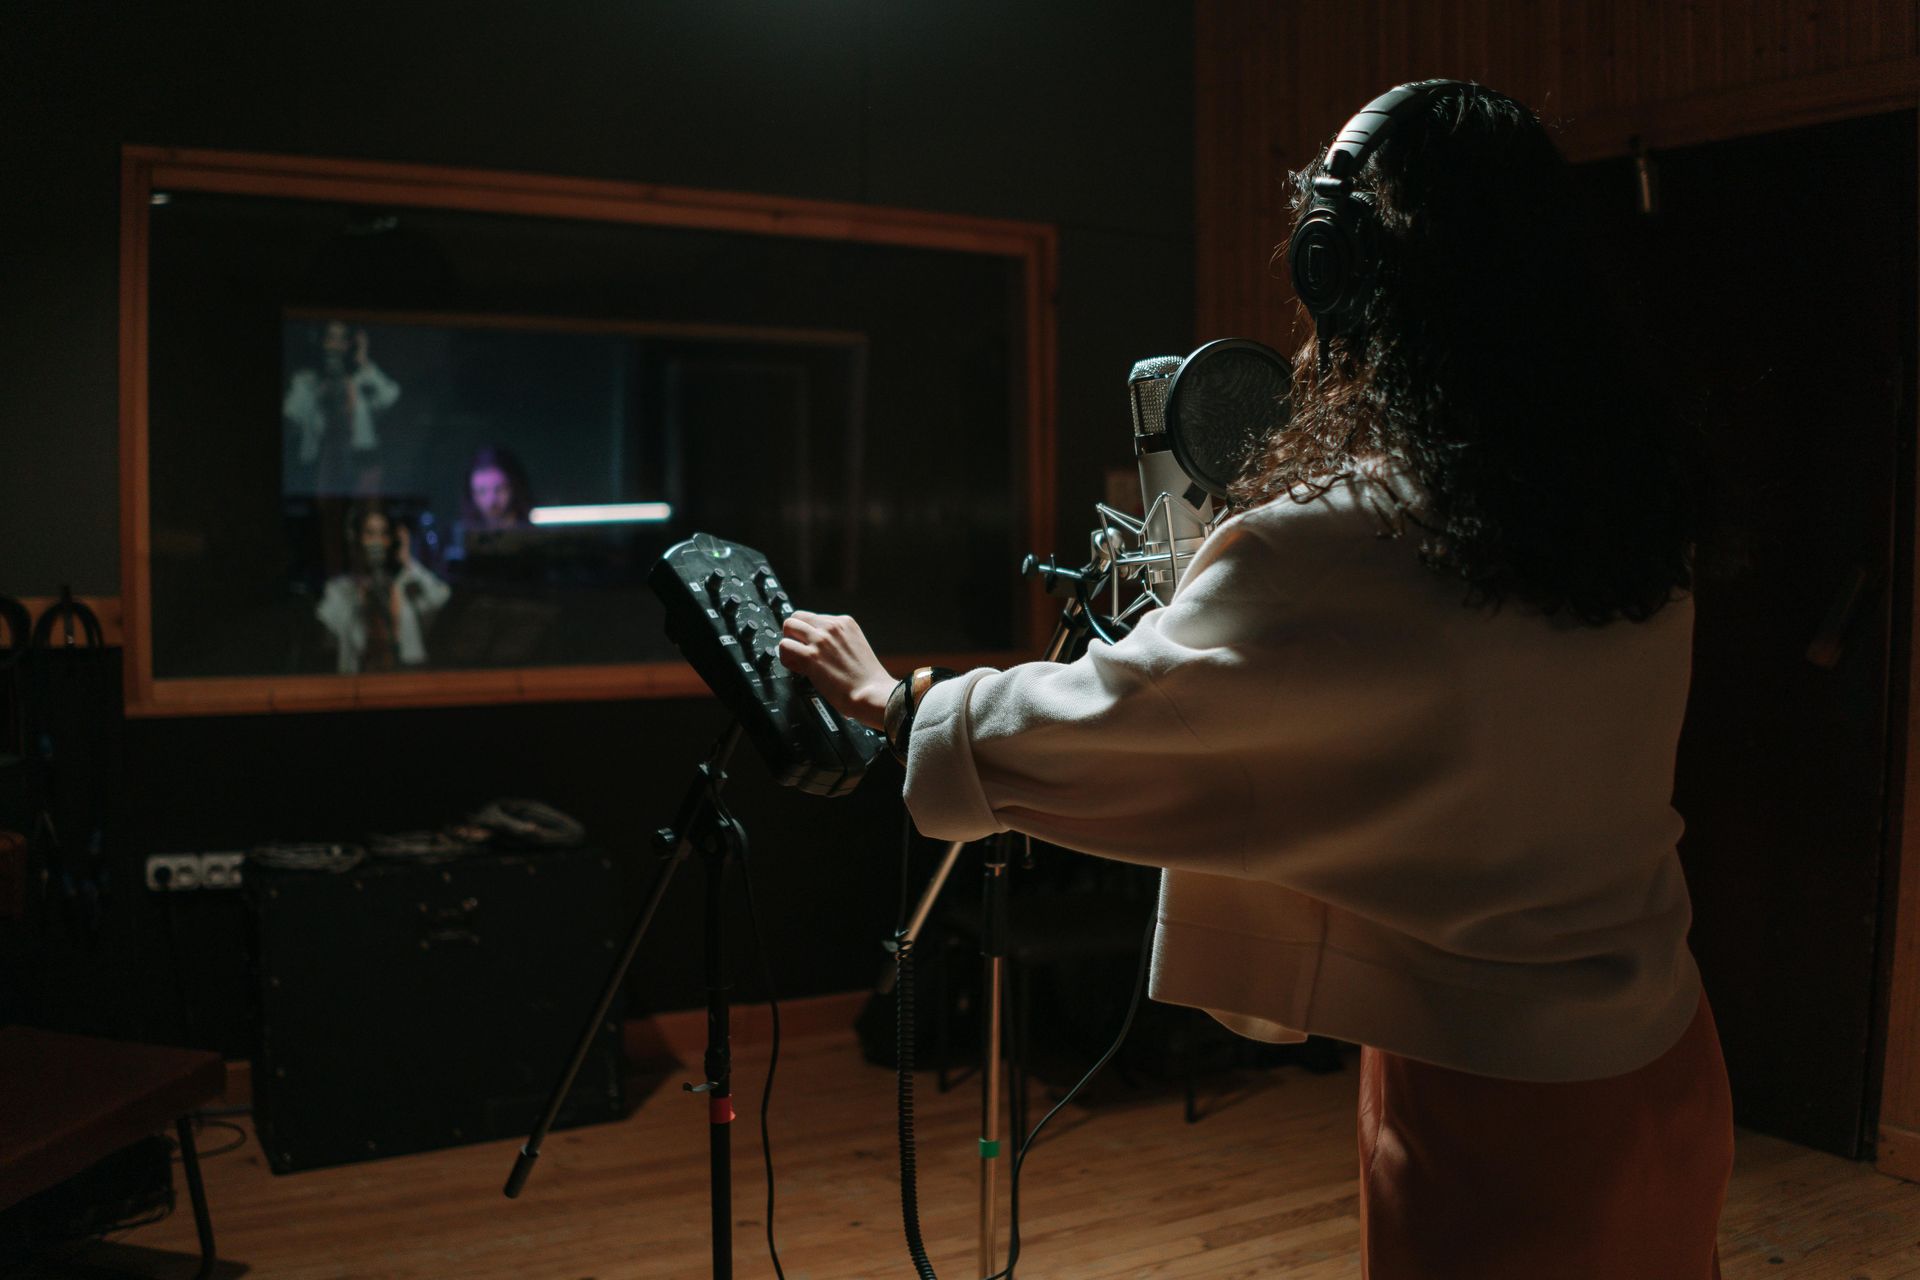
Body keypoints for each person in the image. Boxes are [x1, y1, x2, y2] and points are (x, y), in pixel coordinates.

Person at [777, 81, 1730, 1279]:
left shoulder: (1341, 543)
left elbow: (1123, 723)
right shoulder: (1625, 511)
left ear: (1344, 265)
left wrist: (904, 703)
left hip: (1497, 1107)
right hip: (1666, 1065)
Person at [316, 503, 450, 673]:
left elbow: (440, 598)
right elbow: (327, 640)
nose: (377, 542)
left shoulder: (405, 585)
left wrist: (408, 560)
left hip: (404, 681)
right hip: (358, 684)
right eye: (370, 534)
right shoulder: (341, 590)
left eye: (383, 534)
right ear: (358, 538)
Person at [283, 321, 402, 491]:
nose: (336, 346)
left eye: (342, 339)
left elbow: (390, 395)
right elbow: (291, 415)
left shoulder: (361, 380)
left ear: (349, 345)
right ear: (322, 342)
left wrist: (364, 361)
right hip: (323, 466)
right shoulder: (307, 381)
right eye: (331, 338)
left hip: (363, 463)